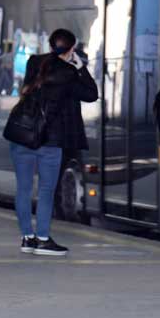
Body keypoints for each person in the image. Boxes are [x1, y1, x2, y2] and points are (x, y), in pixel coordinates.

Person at [9, 28, 98, 255]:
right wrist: (80, 66)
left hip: (22, 136)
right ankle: (43, 238)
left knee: (24, 188)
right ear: (71, 50)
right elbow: (91, 94)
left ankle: (27, 238)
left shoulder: (33, 63)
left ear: (50, 46)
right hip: (50, 141)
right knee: (47, 190)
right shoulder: (69, 74)